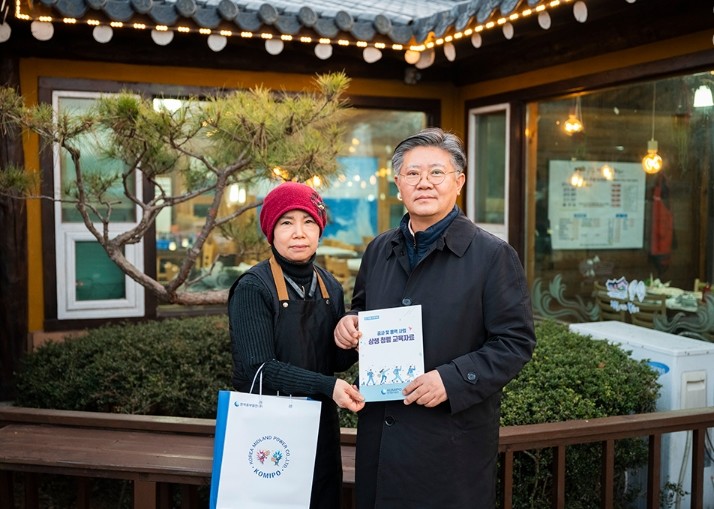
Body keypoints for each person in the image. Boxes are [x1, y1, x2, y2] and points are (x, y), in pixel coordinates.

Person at [334, 128, 536, 508]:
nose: (423, 183)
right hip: (381, 439)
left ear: (458, 182)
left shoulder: (493, 256)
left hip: (450, 447)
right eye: (412, 173)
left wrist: (452, 379)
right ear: (398, 185)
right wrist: (350, 322)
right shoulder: (379, 249)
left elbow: (515, 343)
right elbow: (362, 308)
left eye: (436, 173)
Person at [228, 181, 364, 509]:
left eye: (308, 222)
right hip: (269, 431)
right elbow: (258, 369)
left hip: (321, 430)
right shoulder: (253, 287)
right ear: (271, 232)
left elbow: (335, 361)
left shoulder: (330, 285)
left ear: (320, 230)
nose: (299, 233)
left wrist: (356, 342)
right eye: (287, 222)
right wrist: (328, 386)